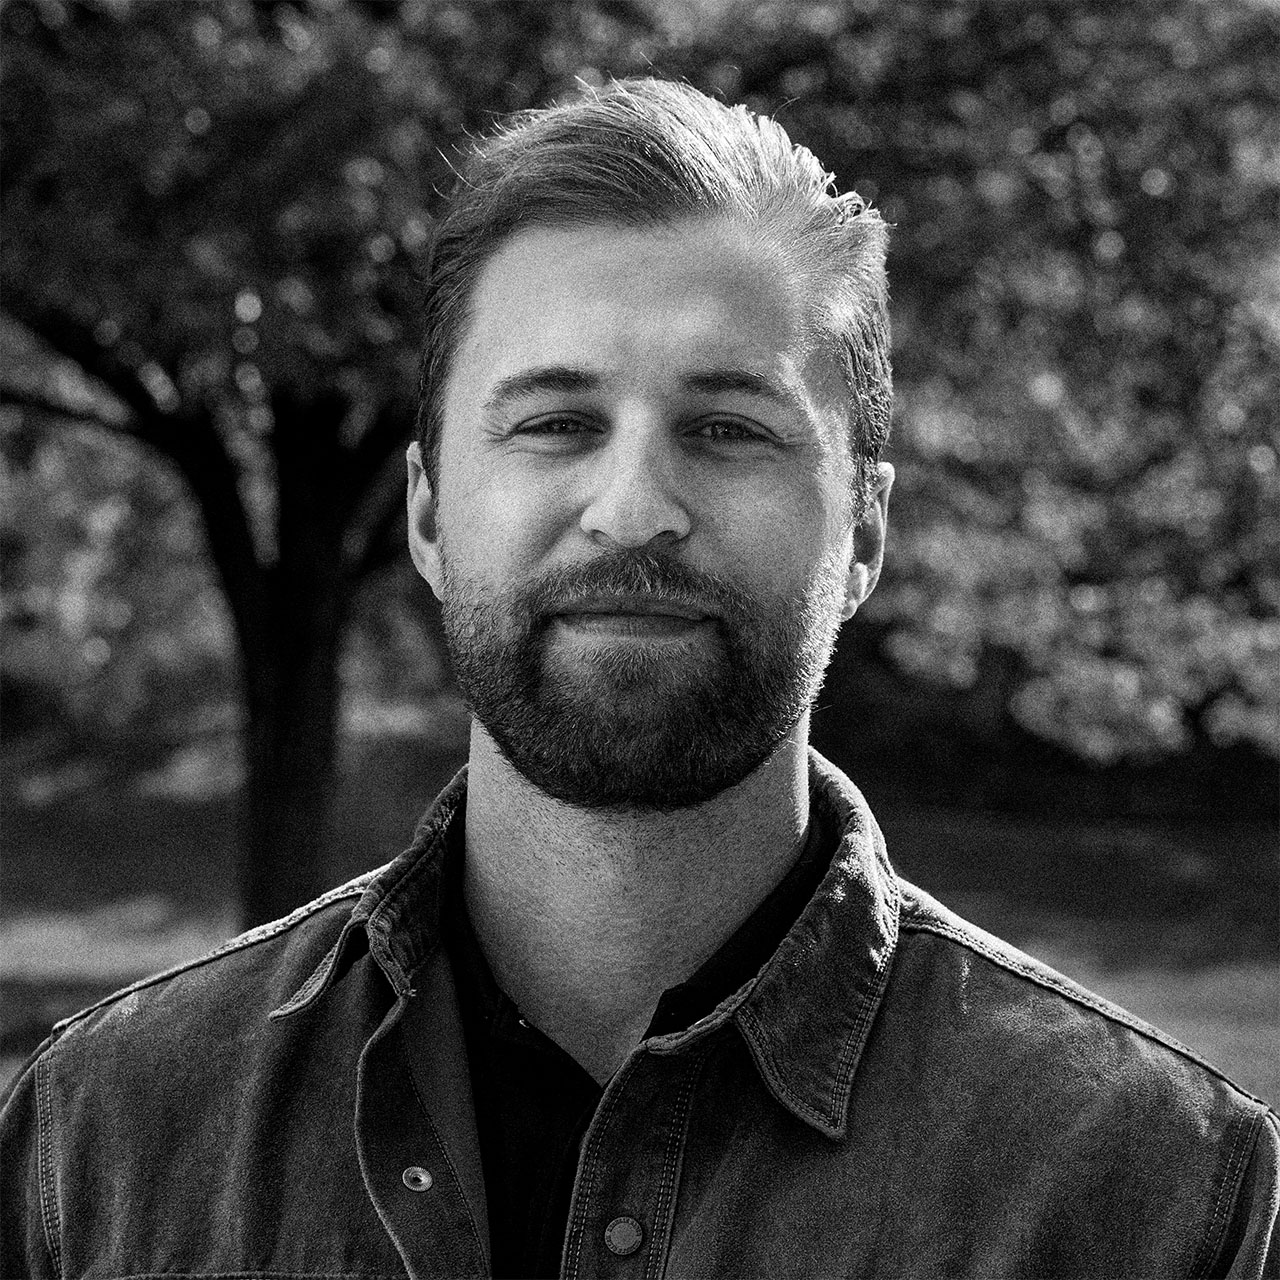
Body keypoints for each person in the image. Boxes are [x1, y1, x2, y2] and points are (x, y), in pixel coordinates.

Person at [1, 76, 1275, 1280]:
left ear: (866, 536)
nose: (633, 510)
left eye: (727, 428)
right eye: (555, 422)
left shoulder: (1156, 1190)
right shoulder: (99, 1141)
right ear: (431, 516)